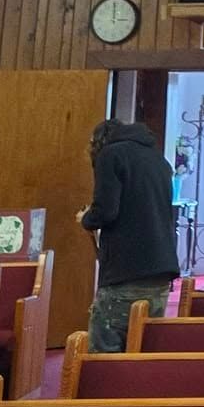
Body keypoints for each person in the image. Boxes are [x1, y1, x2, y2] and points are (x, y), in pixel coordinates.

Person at [79, 118, 178, 353]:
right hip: (161, 272)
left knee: (105, 353)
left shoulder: (111, 155)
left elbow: (106, 211)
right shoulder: (159, 160)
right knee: (143, 351)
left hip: (126, 272)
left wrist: (86, 218)